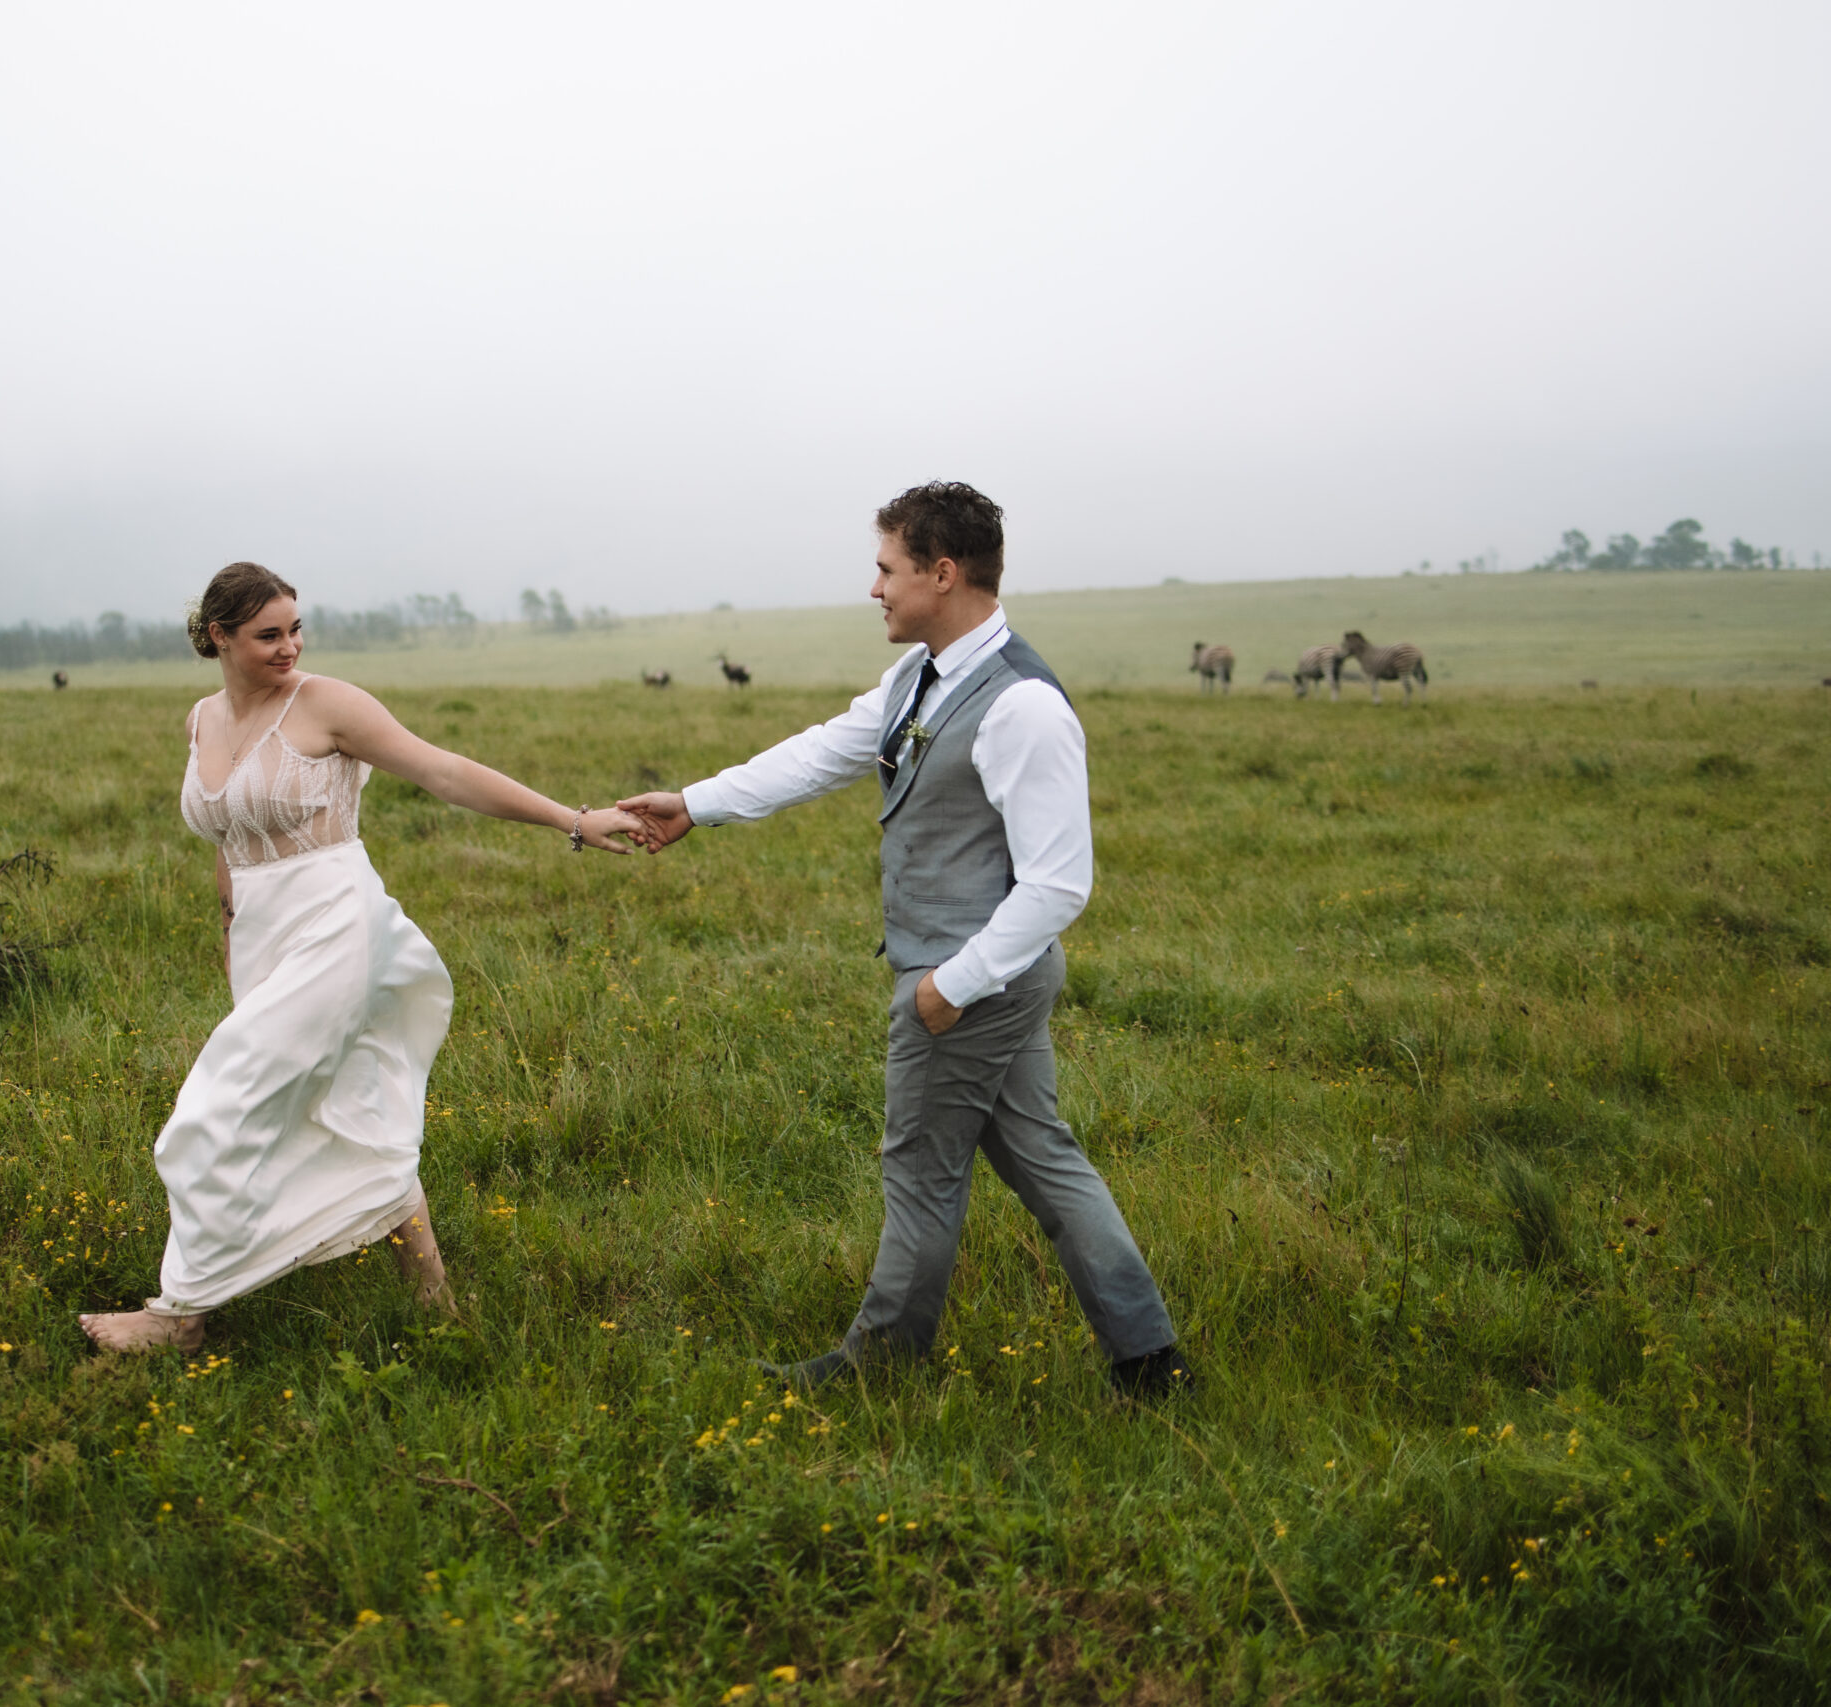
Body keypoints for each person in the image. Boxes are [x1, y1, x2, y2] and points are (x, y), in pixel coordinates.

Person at [619, 483, 1194, 1398]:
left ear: (943, 572)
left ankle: (879, 1367)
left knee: (920, 1169)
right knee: (1045, 1158)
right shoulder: (920, 677)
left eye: (887, 569)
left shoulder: (1023, 708)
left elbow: (1057, 884)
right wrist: (695, 803)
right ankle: (1151, 1363)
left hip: (971, 982)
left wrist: (948, 987)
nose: (874, 588)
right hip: (970, 976)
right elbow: (822, 751)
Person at [80, 562, 648, 1355]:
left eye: (296, 628)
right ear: (219, 637)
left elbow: (444, 772)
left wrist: (574, 820)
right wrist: (229, 936)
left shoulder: (327, 705)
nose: (290, 647)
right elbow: (227, 843)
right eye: (268, 634)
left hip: (335, 920)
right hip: (261, 936)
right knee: (350, 1099)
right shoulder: (200, 719)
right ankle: (436, 1296)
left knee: (209, 1116)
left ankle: (181, 1313)